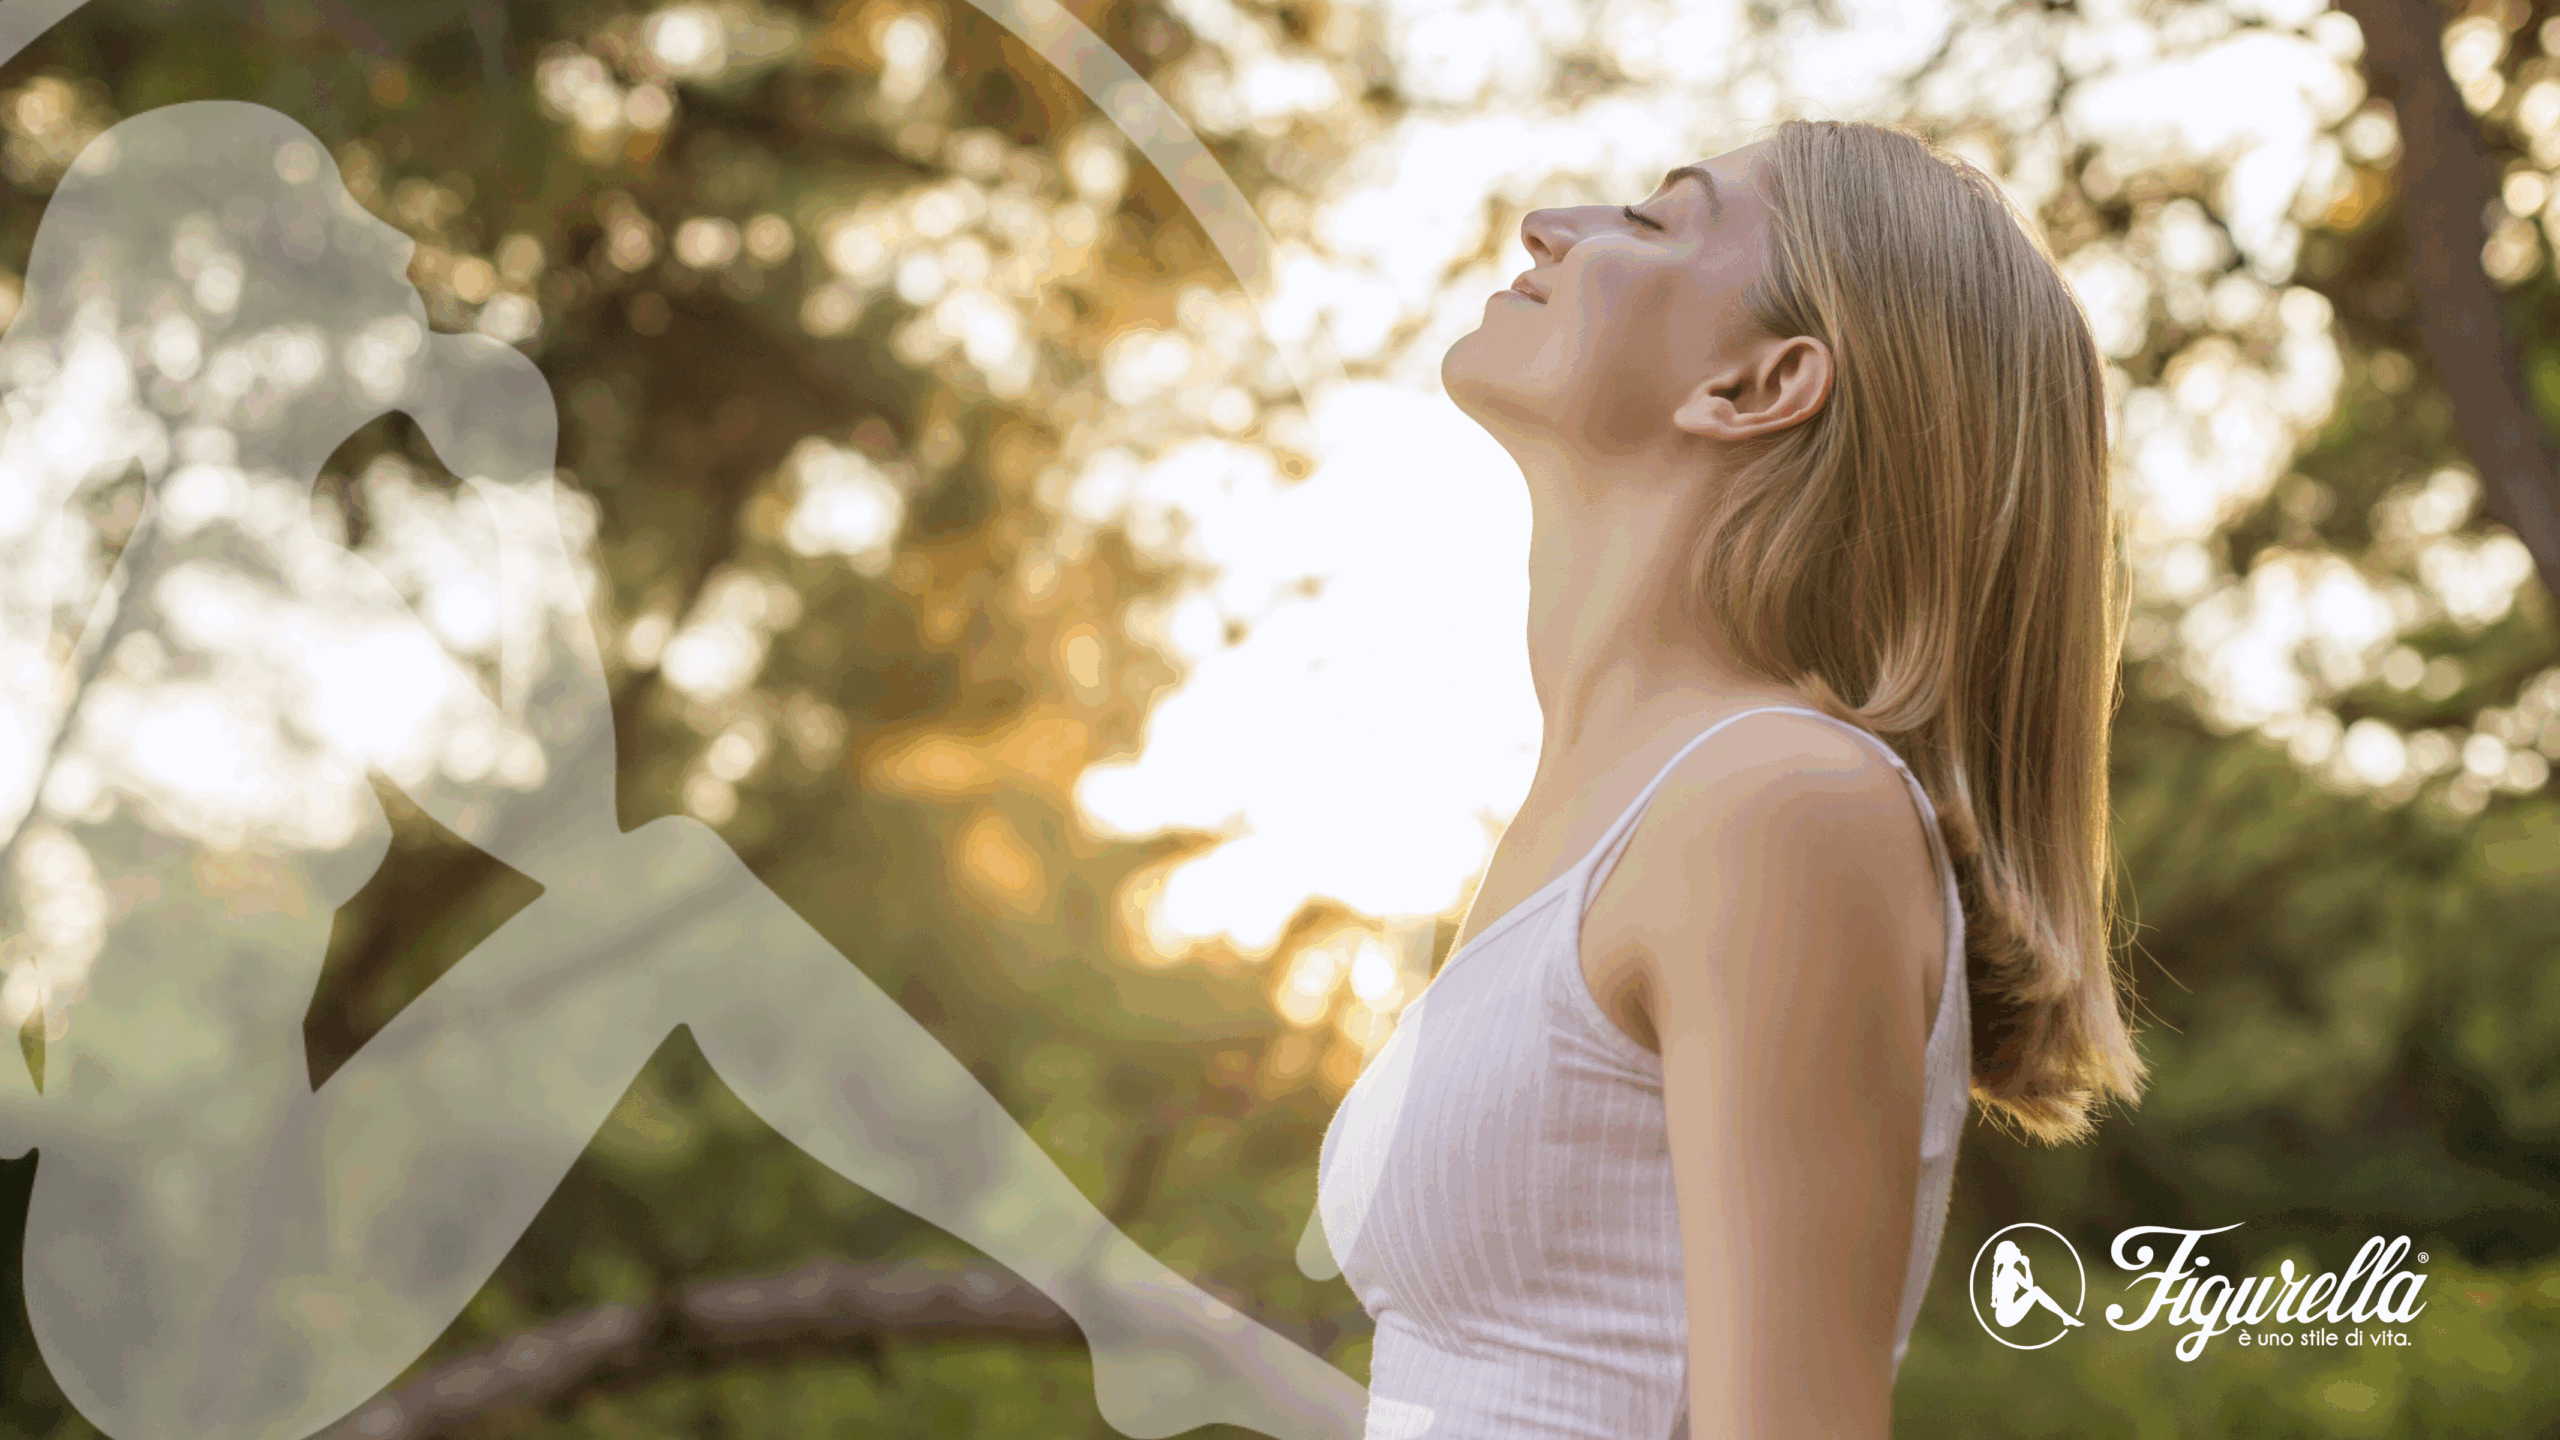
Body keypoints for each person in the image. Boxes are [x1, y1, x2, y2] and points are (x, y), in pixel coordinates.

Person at [0, 101, 1363, 1440]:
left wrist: (522, 497)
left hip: (246, 1225)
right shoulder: (223, 570)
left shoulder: (227, 550)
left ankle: (1114, 1305)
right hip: (153, 1275)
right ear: (236, 282)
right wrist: (517, 499)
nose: (391, 244)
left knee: (662, 882)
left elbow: (567, 826)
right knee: (668, 880)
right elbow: (573, 838)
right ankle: (1114, 1305)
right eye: (331, 220)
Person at [1307, 118, 2151, 1439]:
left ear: (1759, 386)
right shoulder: (1617, 809)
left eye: (1654, 222)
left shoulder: (1776, 807)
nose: (1549, 226)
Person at [1989, 1240, 2083, 1331]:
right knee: (2036, 1291)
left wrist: (2026, 1266)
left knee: (2036, 1291)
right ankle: (2065, 1317)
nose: (2019, 1249)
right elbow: (2030, 1287)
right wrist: (2026, 1266)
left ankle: (2065, 1317)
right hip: (2006, 1316)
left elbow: (2028, 1286)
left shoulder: (2010, 1271)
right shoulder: (2009, 1272)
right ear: (2009, 1254)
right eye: (2015, 1248)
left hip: (2004, 1315)